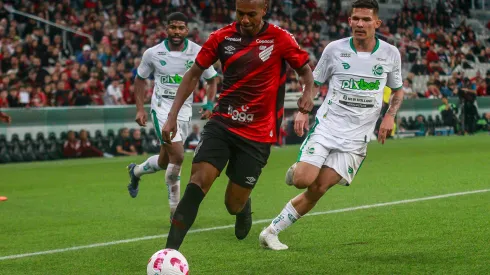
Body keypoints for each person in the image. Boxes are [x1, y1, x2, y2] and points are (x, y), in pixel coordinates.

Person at [161, 0, 315, 250]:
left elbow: (306, 73)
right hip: (222, 123)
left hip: (258, 135)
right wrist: (171, 116)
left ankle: (244, 207)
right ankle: (169, 252)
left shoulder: (281, 39)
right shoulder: (221, 38)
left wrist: (307, 94)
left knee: (233, 204)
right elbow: (192, 75)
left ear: (264, 10)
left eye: (251, 15)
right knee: (198, 182)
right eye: (240, 13)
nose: (244, 20)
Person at [259, 0, 404, 250]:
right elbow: (314, 83)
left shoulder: (390, 54)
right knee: (304, 179)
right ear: (349, 21)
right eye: (356, 18)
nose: (360, 23)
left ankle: (271, 232)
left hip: (356, 140)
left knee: (318, 188)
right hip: (327, 128)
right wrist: (304, 111)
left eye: (366, 19)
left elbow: (398, 91)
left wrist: (390, 115)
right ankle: (298, 170)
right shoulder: (334, 49)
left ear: (377, 23)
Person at [127, 12, 218, 221]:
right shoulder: (153, 53)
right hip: (161, 108)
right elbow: (140, 79)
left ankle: (137, 172)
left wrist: (210, 103)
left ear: (187, 30)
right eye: (173, 27)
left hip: (184, 111)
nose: (176, 32)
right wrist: (140, 109)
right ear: (166, 28)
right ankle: (175, 211)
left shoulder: (197, 52)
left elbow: (212, 79)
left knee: (164, 160)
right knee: (177, 156)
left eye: (181, 28)